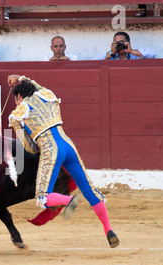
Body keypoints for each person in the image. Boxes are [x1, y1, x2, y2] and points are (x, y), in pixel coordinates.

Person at [7, 74, 119, 248]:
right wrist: (20, 78)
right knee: (90, 190)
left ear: (19, 97)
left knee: (43, 197)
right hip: (68, 145)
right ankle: (109, 230)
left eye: (16, 99)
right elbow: (36, 85)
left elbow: (30, 148)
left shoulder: (18, 113)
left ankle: (69, 201)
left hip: (51, 149)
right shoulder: (47, 94)